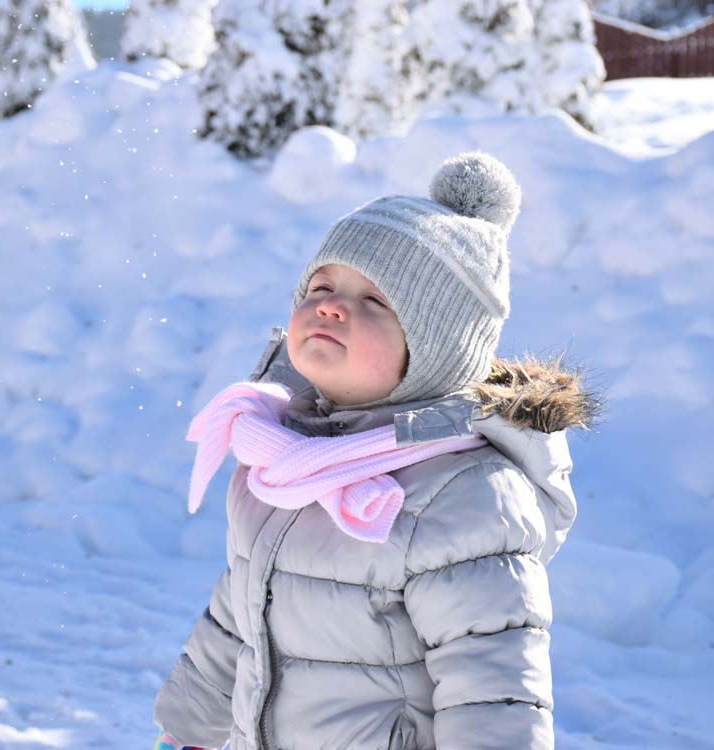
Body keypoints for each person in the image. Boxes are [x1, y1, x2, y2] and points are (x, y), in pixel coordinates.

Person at [151, 151, 602, 750]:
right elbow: (237, 620)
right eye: (322, 285)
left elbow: (494, 690)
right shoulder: (283, 458)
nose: (332, 305)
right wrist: (188, 734)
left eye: (377, 302)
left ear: (435, 352)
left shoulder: (464, 493)